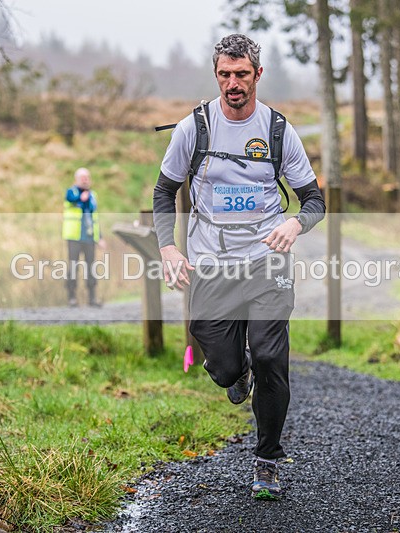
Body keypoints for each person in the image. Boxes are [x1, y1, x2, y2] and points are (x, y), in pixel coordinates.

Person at [152, 34, 325, 500]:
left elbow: (314, 200)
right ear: (216, 75)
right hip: (211, 262)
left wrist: (294, 225)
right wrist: (168, 248)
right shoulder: (194, 128)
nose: (234, 83)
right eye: (225, 74)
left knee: (271, 358)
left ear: (257, 75)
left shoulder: (277, 130)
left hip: (267, 262)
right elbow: (163, 192)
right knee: (225, 368)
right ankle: (237, 372)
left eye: (242, 74)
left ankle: (267, 460)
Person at [63, 167, 104, 307]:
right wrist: (81, 197)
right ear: (76, 179)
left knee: (91, 267)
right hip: (74, 237)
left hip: (89, 238)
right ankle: (71, 297)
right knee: (73, 266)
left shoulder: (93, 195)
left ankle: (92, 298)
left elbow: (95, 218)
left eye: (87, 177)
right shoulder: (71, 192)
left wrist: (100, 237)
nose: (85, 180)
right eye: (82, 178)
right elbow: (70, 199)